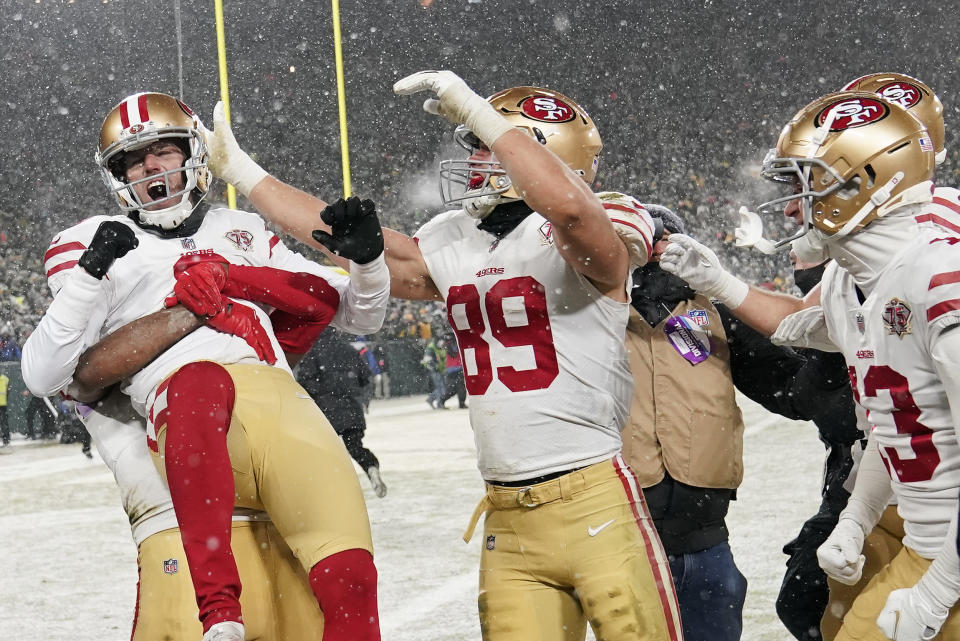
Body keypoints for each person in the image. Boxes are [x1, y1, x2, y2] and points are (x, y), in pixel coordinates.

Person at [201, 70, 682, 640]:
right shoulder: (456, 235)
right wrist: (242, 171)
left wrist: (483, 114)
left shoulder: (608, 215)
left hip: (595, 497)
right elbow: (342, 235)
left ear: (543, 153)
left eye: (488, 148)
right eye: (477, 149)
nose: (475, 163)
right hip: (507, 514)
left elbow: (573, 215)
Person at [21, 92, 389, 641]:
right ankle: (219, 610)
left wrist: (368, 263)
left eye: (163, 150)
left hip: (276, 411)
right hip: (179, 427)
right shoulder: (89, 242)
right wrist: (90, 273)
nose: (148, 167)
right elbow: (45, 374)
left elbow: (360, 313)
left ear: (194, 155)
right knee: (199, 383)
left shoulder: (241, 230)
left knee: (351, 584)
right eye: (132, 159)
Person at [658, 90, 960, 641]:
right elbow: (889, 430)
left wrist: (938, 589)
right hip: (924, 541)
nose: (793, 206)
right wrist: (855, 518)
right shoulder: (853, 281)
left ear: (865, 184)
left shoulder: (942, 278)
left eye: (807, 184)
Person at [622, 204, 860, 641]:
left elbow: (798, 395)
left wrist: (833, 345)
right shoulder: (593, 314)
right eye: (644, 242)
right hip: (618, 528)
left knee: (796, 602)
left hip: (704, 533)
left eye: (664, 242)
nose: (656, 252)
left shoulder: (713, 314)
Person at [80, 388, 325, 640]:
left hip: (181, 554)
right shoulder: (242, 358)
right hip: (278, 550)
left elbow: (49, 375)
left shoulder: (100, 368)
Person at [296, 327, 387, 497]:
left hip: (325, 411)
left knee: (323, 451)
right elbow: (365, 377)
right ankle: (370, 466)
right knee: (354, 446)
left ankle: (333, 487)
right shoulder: (348, 349)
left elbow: (304, 381)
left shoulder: (313, 351)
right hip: (351, 408)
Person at [439, 333, 467, 409]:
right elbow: (453, 354)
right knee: (455, 388)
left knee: (457, 388)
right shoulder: (451, 345)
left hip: (455, 370)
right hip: (454, 370)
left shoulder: (450, 344)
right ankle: (442, 401)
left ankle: (461, 404)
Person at [421, 334, 447, 409]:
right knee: (441, 387)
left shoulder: (440, 346)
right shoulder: (431, 348)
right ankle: (439, 403)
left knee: (442, 387)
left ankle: (431, 399)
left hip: (440, 369)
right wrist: (434, 366)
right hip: (434, 370)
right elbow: (427, 360)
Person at [0, 370, 9, 447]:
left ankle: (6, 439)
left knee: (4, 423)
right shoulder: (5, 379)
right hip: (3, 404)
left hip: (2, 405)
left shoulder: (5, 379)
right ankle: (6, 439)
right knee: (4, 423)